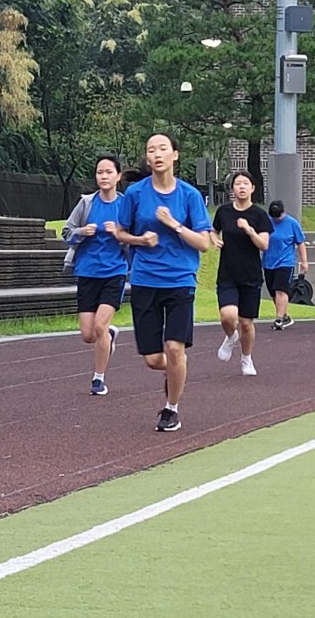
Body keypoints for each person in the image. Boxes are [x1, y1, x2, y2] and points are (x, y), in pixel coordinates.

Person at [115, 133, 212, 432]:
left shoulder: (189, 196)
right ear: (147, 158)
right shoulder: (135, 194)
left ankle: (171, 408)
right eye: (151, 150)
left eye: (162, 149)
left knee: (173, 347)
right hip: (145, 280)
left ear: (175, 155)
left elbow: (205, 244)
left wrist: (174, 225)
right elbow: (120, 233)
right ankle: (177, 368)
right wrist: (140, 239)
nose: (156, 154)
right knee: (154, 358)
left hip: (180, 279)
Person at [62, 155, 128, 395]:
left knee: (100, 326)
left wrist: (120, 234)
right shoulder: (86, 203)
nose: (104, 176)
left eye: (109, 172)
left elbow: (135, 240)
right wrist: (81, 231)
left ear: (118, 176)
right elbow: (66, 232)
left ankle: (98, 379)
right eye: (100, 172)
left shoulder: (125, 205)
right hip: (87, 272)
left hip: (114, 272)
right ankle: (109, 335)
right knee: (88, 335)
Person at [210, 171, 272, 375]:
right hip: (228, 273)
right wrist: (214, 239)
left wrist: (250, 230)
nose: (242, 187)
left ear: (253, 188)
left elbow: (264, 245)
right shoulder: (224, 212)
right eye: (238, 184)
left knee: (246, 323)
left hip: (250, 274)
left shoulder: (259, 215)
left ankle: (247, 358)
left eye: (246, 183)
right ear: (232, 189)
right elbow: (214, 229)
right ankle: (230, 337)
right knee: (228, 316)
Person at [262, 200, 309, 330]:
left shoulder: (292, 223)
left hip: (285, 262)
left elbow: (300, 243)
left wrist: (304, 261)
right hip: (268, 262)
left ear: (284, 212)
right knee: (273, 291)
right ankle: (285, 316)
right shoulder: (266, 222)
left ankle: (279, 319)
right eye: (274, 217)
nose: (277, 219)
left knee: (280, 289)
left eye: (279, 216)